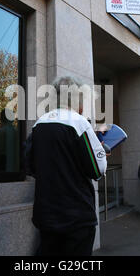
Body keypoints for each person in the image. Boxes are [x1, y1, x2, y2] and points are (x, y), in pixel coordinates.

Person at [28, 76, 107, 256]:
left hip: (45, 214)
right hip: (76, 215)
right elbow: (97, 170)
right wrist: (100, 153)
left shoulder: (38, 124)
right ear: (78, 100)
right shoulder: (79, 123)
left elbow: (30, 166)